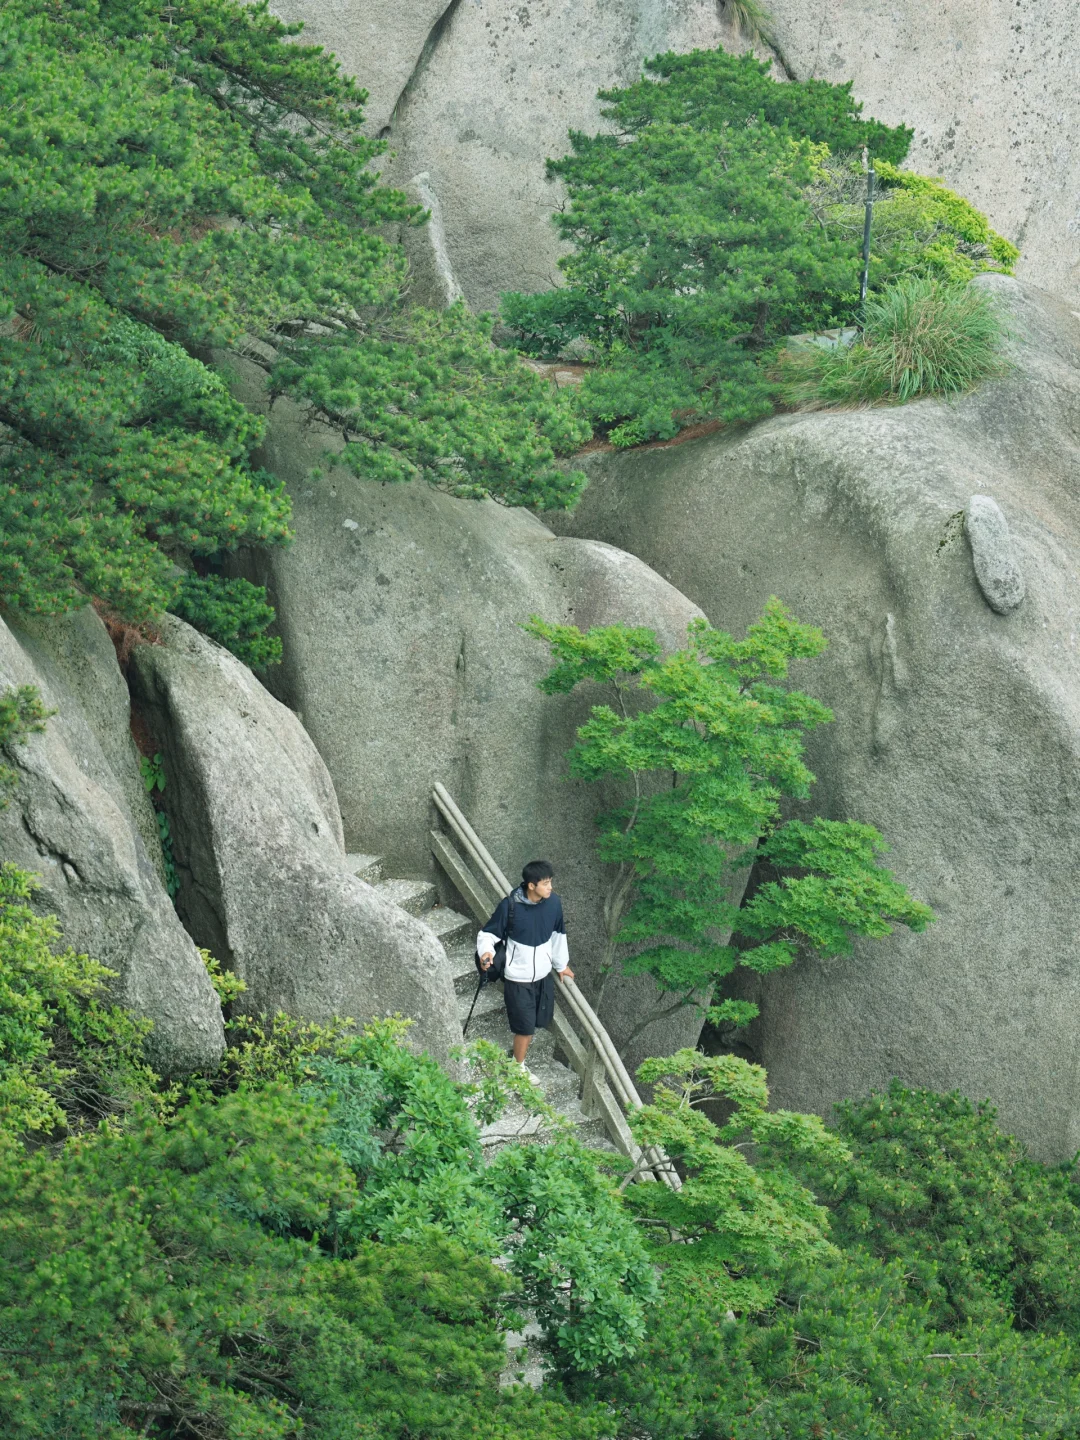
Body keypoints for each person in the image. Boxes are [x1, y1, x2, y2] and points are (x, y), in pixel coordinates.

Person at [476, 859, 574, 1081]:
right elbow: (487, 935)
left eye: (550, 883)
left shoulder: (554, 903)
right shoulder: (510, 906)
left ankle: (517, 1063)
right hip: (517, 978)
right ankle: (517, 1067)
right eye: (546, 883)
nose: (551, 887)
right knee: (525, 1027)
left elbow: (559, 935)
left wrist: (561, 965)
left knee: (539, 1021)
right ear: (531, 885)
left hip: (542, 976)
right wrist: (486, 953)